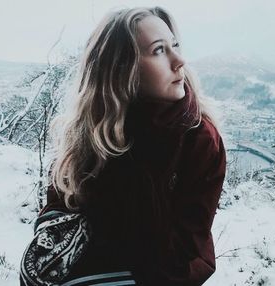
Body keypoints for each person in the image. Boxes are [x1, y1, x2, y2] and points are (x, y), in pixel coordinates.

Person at [38, 6, 226, 286]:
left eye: (174, 45)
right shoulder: (92, 131)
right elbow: (58, 212)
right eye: (159, 50)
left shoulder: (198, 138)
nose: (180, 61)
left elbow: (185, 248)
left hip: (164, 275)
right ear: (121, 68)